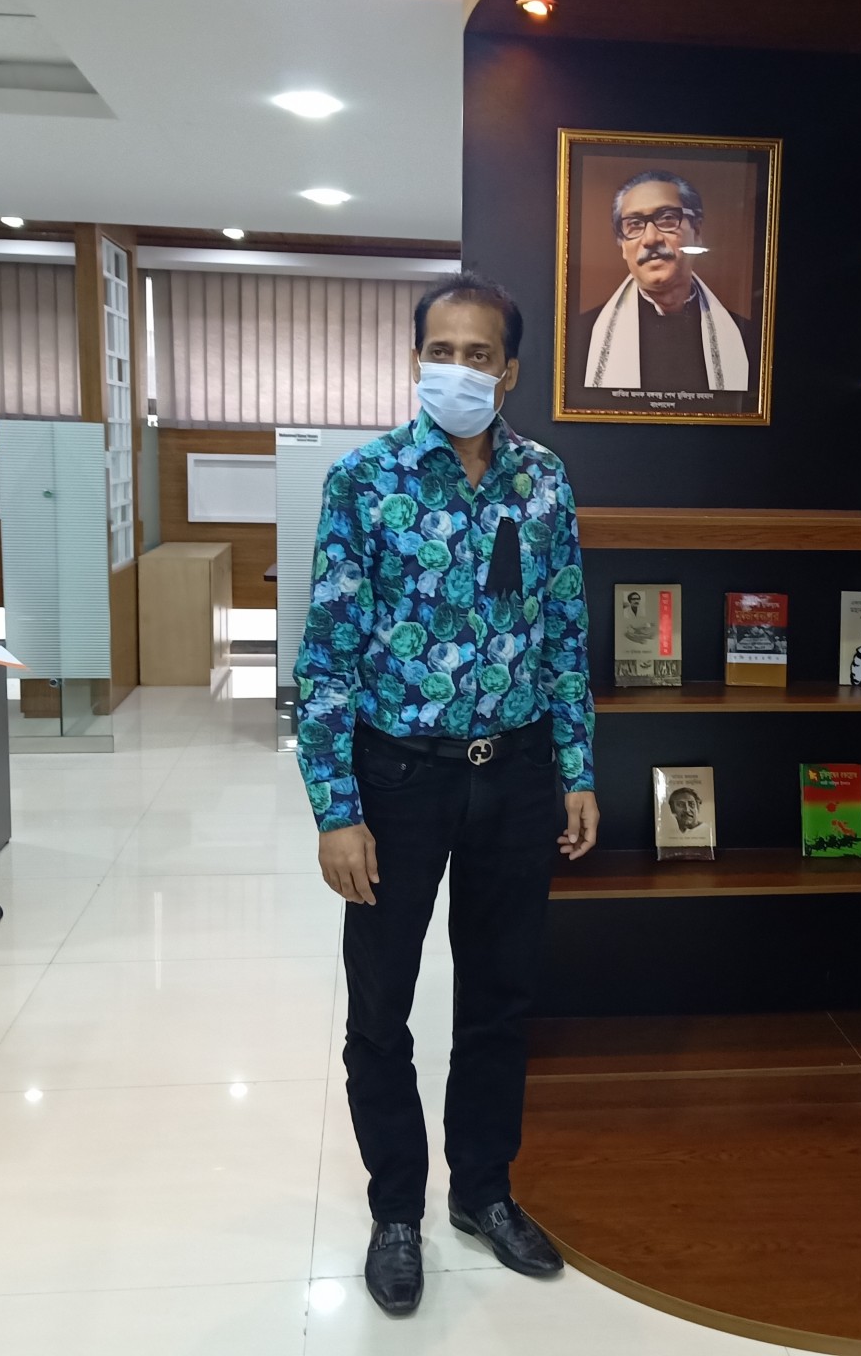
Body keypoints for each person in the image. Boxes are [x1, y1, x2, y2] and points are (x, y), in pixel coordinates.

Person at [294, 272, 600, 1316]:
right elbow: (327, 655)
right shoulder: (364, 480)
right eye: (441, 351)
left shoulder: (544, 482)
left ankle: (483, 1192)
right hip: (398, 781)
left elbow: (565, 636)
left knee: (500, 999)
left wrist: (576, 770)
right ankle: (396, 1209)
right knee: (381, 1007)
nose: (458, 370)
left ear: (509, 371)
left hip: (515, 774)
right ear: (415, 358)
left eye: (479, 354)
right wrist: (336, 808)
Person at [570, 169, 756, 393]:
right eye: (635, 224)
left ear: (697, 231)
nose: (651, 239)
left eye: (667, 219)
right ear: (623, 245)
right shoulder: (580, 338)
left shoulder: (747, 338)